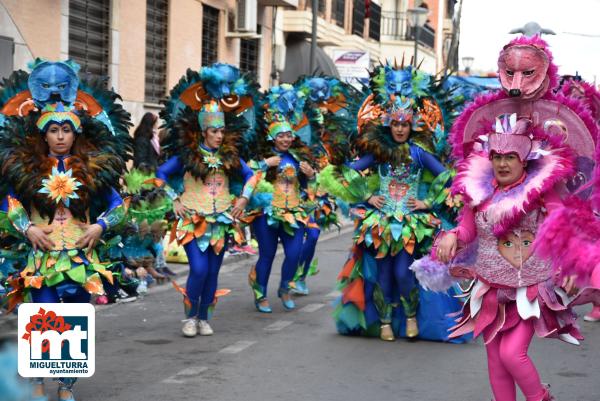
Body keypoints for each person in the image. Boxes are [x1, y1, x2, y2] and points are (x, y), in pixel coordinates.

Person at [437, 115, 582, 401]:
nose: (502, 163)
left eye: (511, 157)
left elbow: (563, 228)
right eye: (497, 156)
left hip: (529, 289)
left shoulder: (542, 191)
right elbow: (468, 229)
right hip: (490, 288)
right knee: (495, 360)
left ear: (525, 160)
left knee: (512, 354)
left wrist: (572, 264)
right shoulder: (479, 191)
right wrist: (453, 236)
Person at [321, 94, 452, 341]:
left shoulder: (419, 154)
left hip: (408, 225)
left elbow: (447, 177)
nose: (400, 129)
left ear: (411, 126)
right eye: (395, 124)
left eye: (404, 124)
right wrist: (367, 195)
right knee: (382, 274)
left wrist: (428, 202)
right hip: (380, 223)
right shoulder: (378, 153)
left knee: (403, 272)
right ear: (388, 125)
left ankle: (411, 316)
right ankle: (385, 321)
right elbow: (347, 171)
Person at [156, 100, 258, 337]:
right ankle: (190, 318)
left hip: (221, 222)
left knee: (213, 272)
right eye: (214, 131)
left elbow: (251, 175)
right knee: (199, 269)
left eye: (222, 131)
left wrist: (243, 198)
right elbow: (160, 175)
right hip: (193, 220)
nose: (220, 136)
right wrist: (174, 199)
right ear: (204, 132)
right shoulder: (188, 155)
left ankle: (204, 318)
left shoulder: (229, 155)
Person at [247, 113, 317, 313]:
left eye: (288, 135)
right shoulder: (261, 156)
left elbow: (309, 188)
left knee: (294, 254)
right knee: (267, 255)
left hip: (293, 213)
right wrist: (265, 164)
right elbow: (246, 178)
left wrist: (311, 175)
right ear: (272, 137)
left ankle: (285, 287)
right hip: (266, 214)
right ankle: (260, 293)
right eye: (281, 135)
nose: (286, 139)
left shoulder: (298, 157)